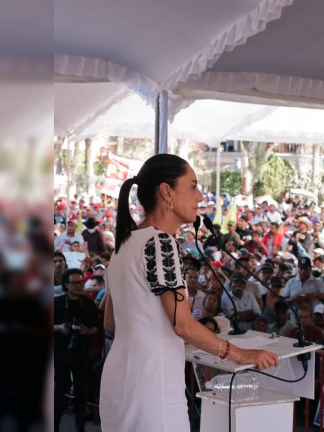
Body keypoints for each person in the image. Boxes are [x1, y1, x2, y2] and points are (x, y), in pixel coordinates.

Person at [100, 154, 278, 432]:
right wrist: (241, 355)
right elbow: (181, 324)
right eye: (193, 186)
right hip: (152, 387)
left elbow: (111, 323)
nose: (200, 195)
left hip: (119, 382)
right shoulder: (161, 242)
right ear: (166, 192)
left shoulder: (124, 244)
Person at [54, 268, 98, 432]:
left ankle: (80, 427)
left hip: (81, 350)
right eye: (74, 283)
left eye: (80, 282)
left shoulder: (87, 303)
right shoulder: (57, 302)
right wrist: (59, 327)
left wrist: (88, 331)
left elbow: (95, 328)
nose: (78, 286)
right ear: (66, 284)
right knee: (60, 389)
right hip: (61, 350)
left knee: (81, 391)